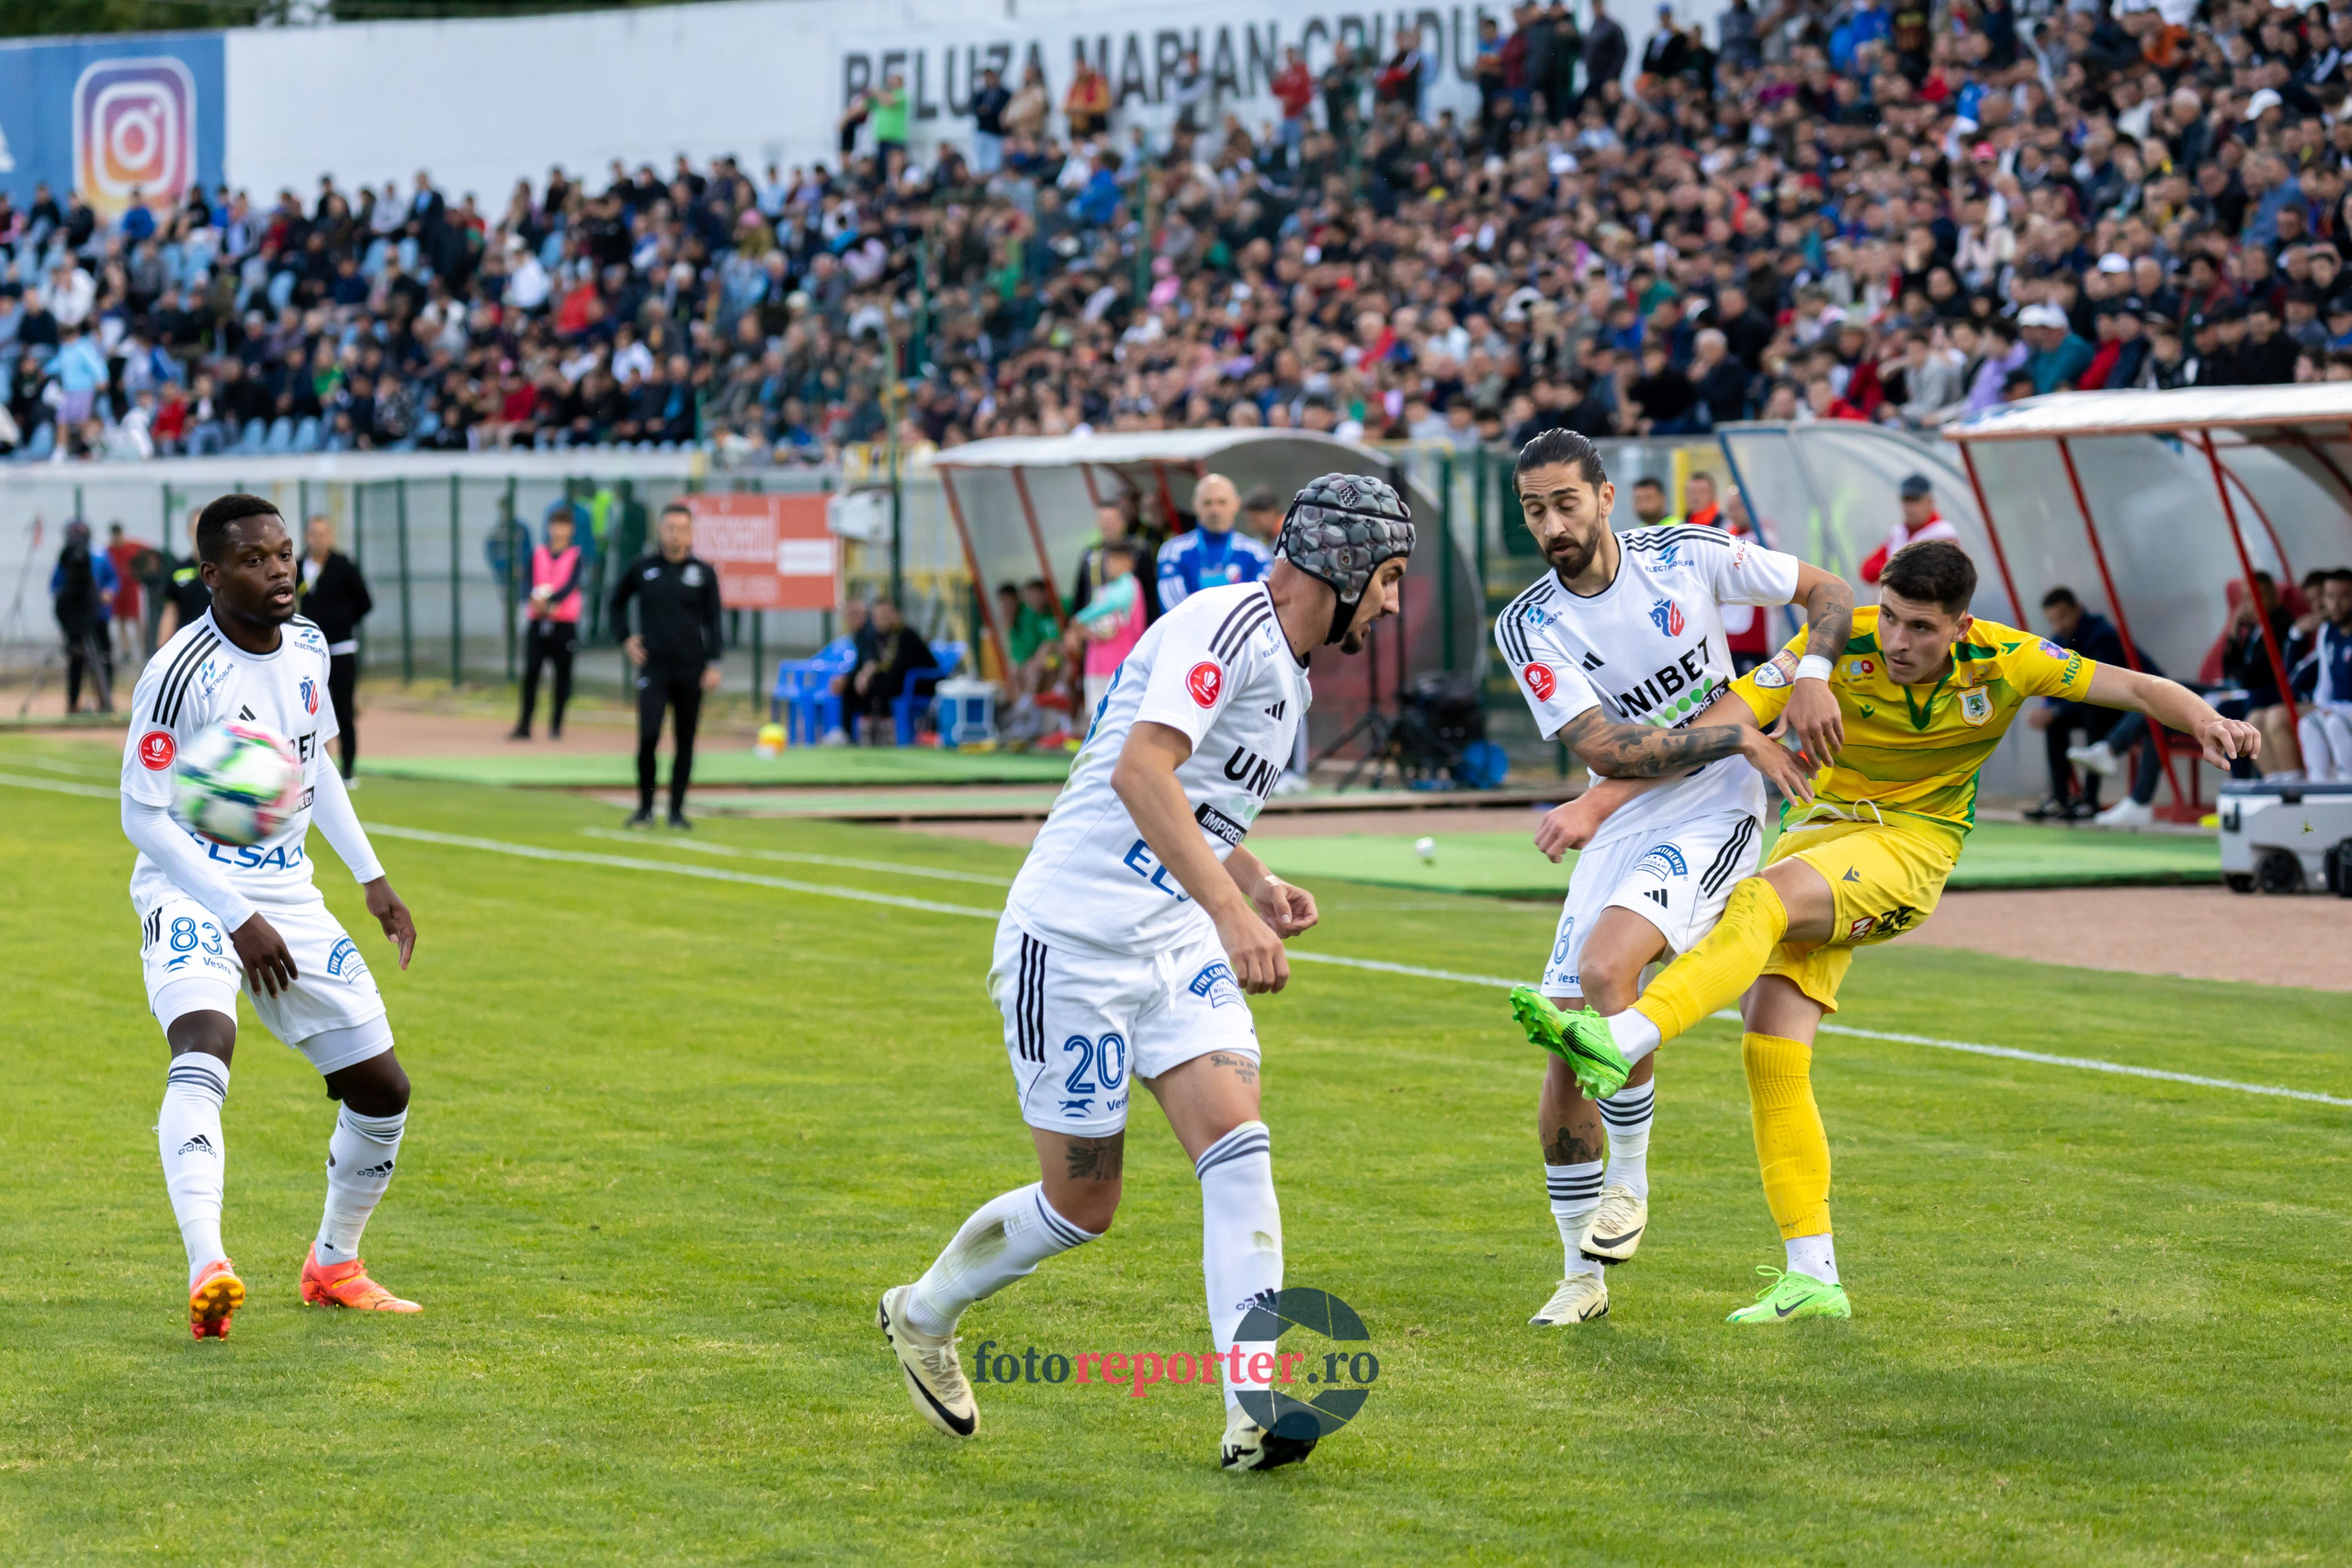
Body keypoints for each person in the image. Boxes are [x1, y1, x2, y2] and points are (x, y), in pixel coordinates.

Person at [1521, 541, 2260, 1325]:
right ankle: (1813, 1275)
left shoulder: (2008, 660)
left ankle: (1629, 1034)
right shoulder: (1834, 647)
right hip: (1819, 839)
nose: (1899, 641)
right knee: (1770, 1045)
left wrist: (2206, 719)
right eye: (1893, 617)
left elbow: (2137, 685)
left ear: (1960, 625)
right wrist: (1596, 806)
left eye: (1921, 628)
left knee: (1757, 904)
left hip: (1910, 849)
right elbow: (1717, 724)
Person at [875, 473, 1420, 1471]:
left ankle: (1252, 1405)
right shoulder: (1226, 625)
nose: (1390, 601)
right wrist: (1230, 912)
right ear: (1337, 569)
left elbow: (1196, 802)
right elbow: (1137, 771)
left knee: (1239, 1144)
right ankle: (922, 1314)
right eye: (1384, 578)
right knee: (1083, 1208)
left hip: (1171, 950)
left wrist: (1248, 878)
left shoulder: (1287, 667)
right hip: (1072, 947)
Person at [1498, 429, 1849, 1327]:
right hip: (1630, 805)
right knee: (1569, 1046)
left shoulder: (1686, 554)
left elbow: (1827, 591)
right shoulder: (1529, 622)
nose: (1551, 525)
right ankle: (1581, 1276)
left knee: (1607, 973)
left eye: (1565, 504)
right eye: (1534, 510)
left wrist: (1809, 671)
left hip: (1717, 808)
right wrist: (1735, 728)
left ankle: (1631, 1183)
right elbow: (1608, 748)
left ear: (1605, 497)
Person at [119, 492, 424, 1339]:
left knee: (382, 1088)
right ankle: (207, 1266)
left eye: (284, 552)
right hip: (188, 882)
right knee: (204, 1044)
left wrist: (372, 876)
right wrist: (234, 912)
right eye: (254, 559)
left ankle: (334, 1263)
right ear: (212, 575)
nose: (279, 568)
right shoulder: (178, 673)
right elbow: (142, 815)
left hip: (287, 887)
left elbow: (312, 768)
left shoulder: (311, 647)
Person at [610, 502, 723, 829]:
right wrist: (626, 639)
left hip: (690, 668)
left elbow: (715, 621)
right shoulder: (644, 567)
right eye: (669, 528)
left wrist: (714, 662)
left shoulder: (702, 573)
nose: (675, 535)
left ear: (691, 533)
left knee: (685, 740)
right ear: (660, 530)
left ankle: (676, 811)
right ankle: (645, 808)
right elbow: (615, 603)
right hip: (654, 668)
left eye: (682, 529)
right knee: (648, 736)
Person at [2026, 587, 2162, 822]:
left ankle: (2089, 800)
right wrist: (2049, 710)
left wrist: (2056, 710)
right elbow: (2055, 685)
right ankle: (2059, 797)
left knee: (2092, 711)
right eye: (2053, 620)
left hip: (2134, 705)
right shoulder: (2059, 640)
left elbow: (2100, 690)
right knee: (2055, 722)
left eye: (2063, 616)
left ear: (2078, 609)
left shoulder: (2103, 636)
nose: (2060, 625)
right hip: (2100, 705)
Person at [296, 514, 373, 782]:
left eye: (323, 533)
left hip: (340, 649)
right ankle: (315, 766)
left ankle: (349, 769)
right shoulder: (296, 567)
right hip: (307, 653)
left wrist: (342, 619)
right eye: (313, 533)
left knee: (343, 709)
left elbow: (365, 602)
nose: (317, 539)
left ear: (330, 536)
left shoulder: (343, 566)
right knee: (310, 711)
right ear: (306, 536)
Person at [513, 502, 585, 740]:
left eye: (564, 526)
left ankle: (556, 725)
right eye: (555, 525)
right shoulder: (538, 553)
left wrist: (550, 599)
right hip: (538, 621)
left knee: (562, 675)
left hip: (563, 624)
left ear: (571, 529)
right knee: (531, 672)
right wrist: (532, 598)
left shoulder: (575, 556)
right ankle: (524, 724)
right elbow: (527, 581)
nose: (558, 530)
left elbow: (569, 585)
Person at [1157, 474, 1274, 609]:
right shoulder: (1174, 551)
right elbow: (1174, 609)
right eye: (1208, 503)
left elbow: (1262, 604)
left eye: (1222, 502)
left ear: (1236, 504)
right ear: (1195, 505)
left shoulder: (1256, 553)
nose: (1215, 510)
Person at [848, 596, 939, 741]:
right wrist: (864, 675)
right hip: (897, 682)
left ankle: (884, 729)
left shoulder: (906, 635)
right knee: (858, 683)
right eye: (877, 617)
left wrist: (873, 671)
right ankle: (853, 732)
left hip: (921, 683)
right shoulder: (875, 637)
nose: (881, 620)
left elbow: (899, 666)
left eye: (885, 616)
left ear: (895, 615)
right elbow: (869, 662)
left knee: (882, 681)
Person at [50, 519, 118, 714]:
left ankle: (105, 699)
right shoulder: (66, 556)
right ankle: (73, 702)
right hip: (75, 618)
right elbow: (55, 585)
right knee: (76, 659)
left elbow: (113, 579)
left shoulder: (100, 554)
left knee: (103, 656)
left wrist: (108, 591)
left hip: (99, 616)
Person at [2291, 569, 2352, 782]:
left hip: (2345, 711)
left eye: (2344, 597)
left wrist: (2333, 710)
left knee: (2336, 722)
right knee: (2308, 724)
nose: (2335, 604)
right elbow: (2324, 681)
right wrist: (2322, 706)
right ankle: (2319, 783)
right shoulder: (2327, 631)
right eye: (2330, 597)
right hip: (2337, 709)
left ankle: (2347, 783)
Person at [1075, 542, 1146, 716]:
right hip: (1096, 664)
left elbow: (1111, 604)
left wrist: (1079, 619)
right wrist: (1082, 630)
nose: (1110, 566)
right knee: (1097, 715)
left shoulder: (1130, 585)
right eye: (1108, 561)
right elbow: (1093, 627)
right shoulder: (1104, 590)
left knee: (1120, 714)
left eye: (1116, 561)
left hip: (1120, 663)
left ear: (1130, 563)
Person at [1858, 473, 1960, 585]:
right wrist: (1902, 571)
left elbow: (1930, 579)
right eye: (1907, 499)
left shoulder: (1944, 534)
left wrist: (1889, 571)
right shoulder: (1898, 532)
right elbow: (1867, 571)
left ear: (1930, 502)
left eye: (1916, 500)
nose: (1910, 507)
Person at [107, 522, 153, 666]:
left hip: (131, 589)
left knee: (137, 620)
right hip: (118, 590)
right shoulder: (109, 550)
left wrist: (142, 572)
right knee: (121, 621)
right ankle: (126, 651)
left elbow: (149, 552)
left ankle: (145, 650)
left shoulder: (132, 546)